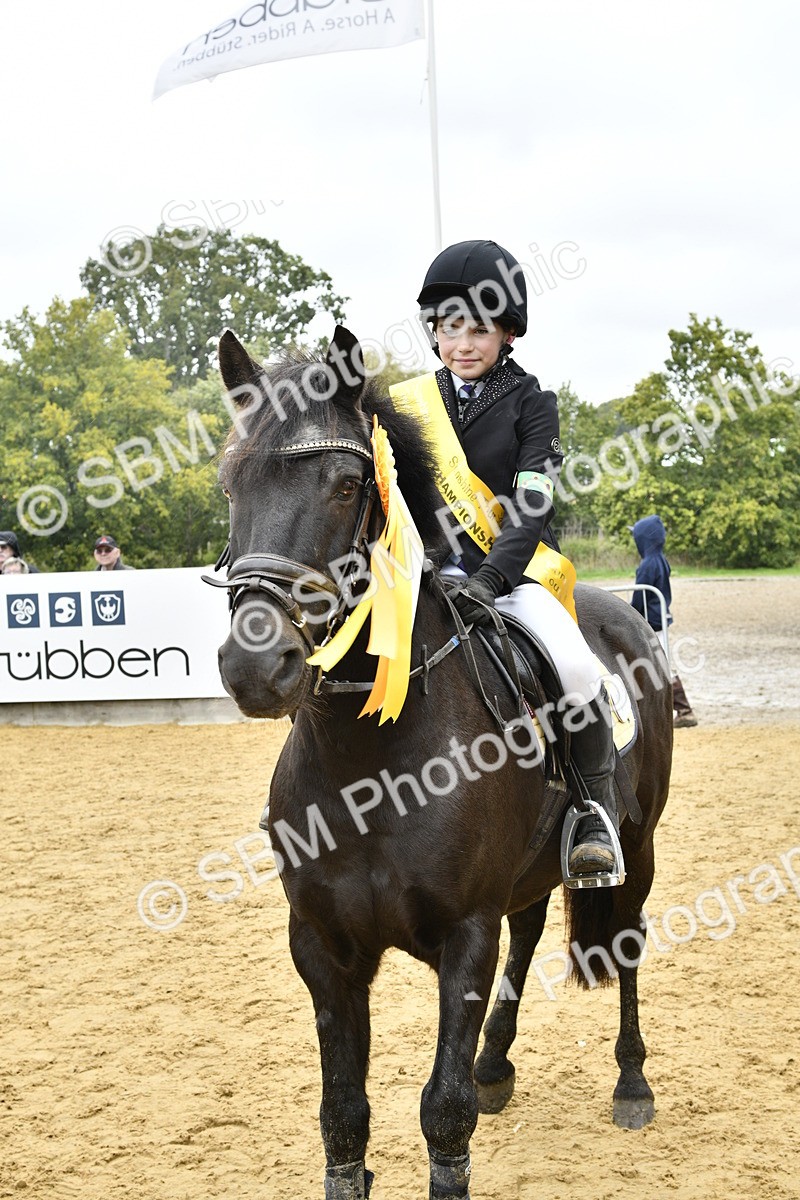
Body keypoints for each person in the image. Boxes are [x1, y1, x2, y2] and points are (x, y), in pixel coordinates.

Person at [411, 239, 621, 882]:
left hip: (511, 578)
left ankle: (592, 814)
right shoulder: (413, 403)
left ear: (507, 333)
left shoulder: (534, 405)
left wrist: (490, 577)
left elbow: (531, 505)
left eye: (479, 329)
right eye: (450, 329)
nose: (463, 344)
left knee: (579, 669)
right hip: (423, 575)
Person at [630, 515, 697, 728]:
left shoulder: (648, 564)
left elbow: (640, 596)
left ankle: (684, 711)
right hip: (657, 619)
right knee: (656, 664)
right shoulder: (659, 559)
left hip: (652, 622)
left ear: (643, 539)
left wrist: (629, 614)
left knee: (661, 665)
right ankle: (661, 710)